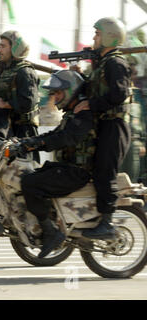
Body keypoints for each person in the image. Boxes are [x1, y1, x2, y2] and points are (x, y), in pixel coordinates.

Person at [19, 70, 96, 258]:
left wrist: (37, 144)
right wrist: (27, 143)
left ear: (70, 91)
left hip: (77, 172)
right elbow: (54, 134)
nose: (55, 97)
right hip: (67, 168)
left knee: (30, 183)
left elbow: (65, 138)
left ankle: (51, 231)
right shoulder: (72, 114)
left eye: (58, 92)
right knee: (31, 176)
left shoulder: (83, 115)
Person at [74, 17, 132, 239]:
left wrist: (91, 104)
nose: (93, 38)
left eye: (97, 34)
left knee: (105, 172)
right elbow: (93, 90)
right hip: (104, 124)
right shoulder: (103, 64)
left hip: (114, 125)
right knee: (97, 170)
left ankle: (107, 222)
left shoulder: (116, 63)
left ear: (108, 36)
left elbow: (119, 95)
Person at [0, 31, 40, 161]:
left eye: (3, 46)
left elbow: (28, 102)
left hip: (23, 132)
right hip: (8, 130)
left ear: (15, 49)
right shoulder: (6, 71)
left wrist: (5, 104)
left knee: (21, 172)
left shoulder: (25, 72)